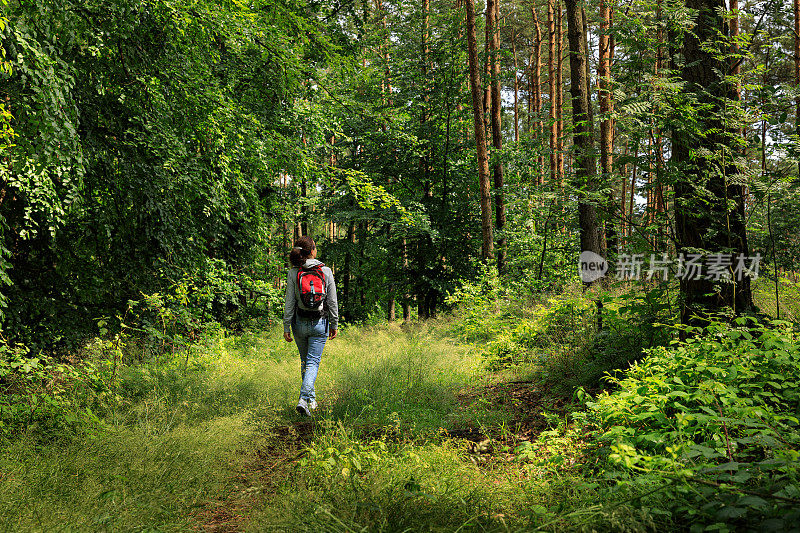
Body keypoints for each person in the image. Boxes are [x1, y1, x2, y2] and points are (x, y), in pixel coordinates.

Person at [283, 236, 338, 416]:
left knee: (306, 362)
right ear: (312, 251)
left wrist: (286, 326)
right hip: (320, 323)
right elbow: (332, 302)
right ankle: (304, 399)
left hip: (299, 324)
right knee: (313, 362)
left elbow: (289, 303)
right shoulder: (326, 271)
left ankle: (311, 401)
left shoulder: (293, 273)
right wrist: (334, 323)